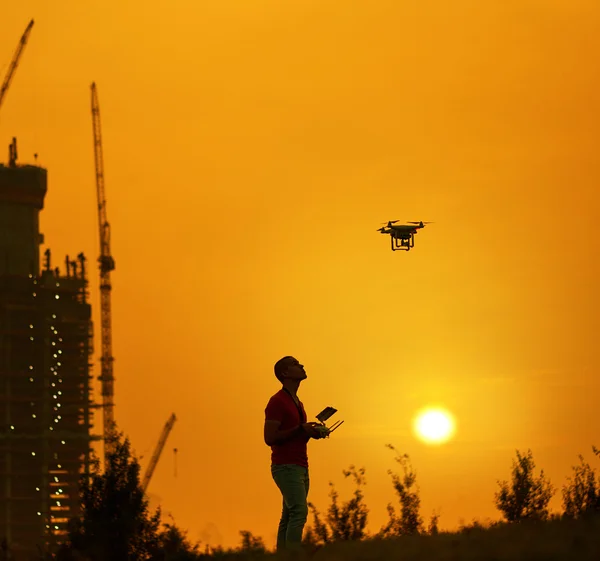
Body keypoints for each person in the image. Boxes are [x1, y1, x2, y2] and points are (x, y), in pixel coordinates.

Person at [264, 356, 326, 555]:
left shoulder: (297, 402)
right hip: (285, 466)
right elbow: (269, 437)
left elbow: (296, 434)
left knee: (289, 514)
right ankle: (292, 556)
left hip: (300, 465)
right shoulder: (277, 402)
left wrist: (312, 432)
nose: (302, 366)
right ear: (285, 373)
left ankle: (283, 555)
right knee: (299, 512)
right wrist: (300, 429)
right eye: (296, 364)